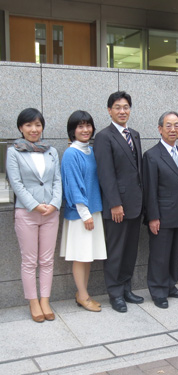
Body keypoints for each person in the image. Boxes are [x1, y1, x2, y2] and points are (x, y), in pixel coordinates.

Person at [6, 108, 62, 322]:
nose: (34, 129)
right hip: (27, 212)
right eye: (29, 125)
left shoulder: (50, 151)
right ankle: (33, 301)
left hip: (51, 212)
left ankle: (45, 300)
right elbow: (16, 183)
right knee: (29, 261)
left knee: (47, 260)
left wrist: (55, 203)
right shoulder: (14, 151)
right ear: (21, 128)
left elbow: (57, 180)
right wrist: (35, 205)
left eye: (37, 125)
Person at [93, 91, 144, 313]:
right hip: (117, 207)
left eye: (126, 107)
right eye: (117, 107)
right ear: (109, 110)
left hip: (136, 204)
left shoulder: (135, 134)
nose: (122, 111)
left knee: (130, 250)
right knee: (116, 251)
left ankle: (126, 288)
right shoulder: (104, 137)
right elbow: (105, 173)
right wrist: (114, 203)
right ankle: (115, 294)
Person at [60, 110, 107, 313]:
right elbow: (72, 186)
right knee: (80, 256)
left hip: (94, 211)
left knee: (87, 256)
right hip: (81, 214)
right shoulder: (71, 153)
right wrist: (85, 214)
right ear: (72, 130)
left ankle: (82, 293)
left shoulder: (91, 150)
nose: (85, 129)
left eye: (88, 125)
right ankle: (83, 296)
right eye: (80, 126)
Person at [143, 111, 178, 309]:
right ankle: (158, 290)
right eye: (168, 125)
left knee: (175, 253)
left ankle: (170, 285)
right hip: (161, 215)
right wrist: (153, 217)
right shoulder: (152, 156)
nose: (173, 129)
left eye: (176, 125)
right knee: (159, 255)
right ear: (160, 129)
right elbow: (150, 189)